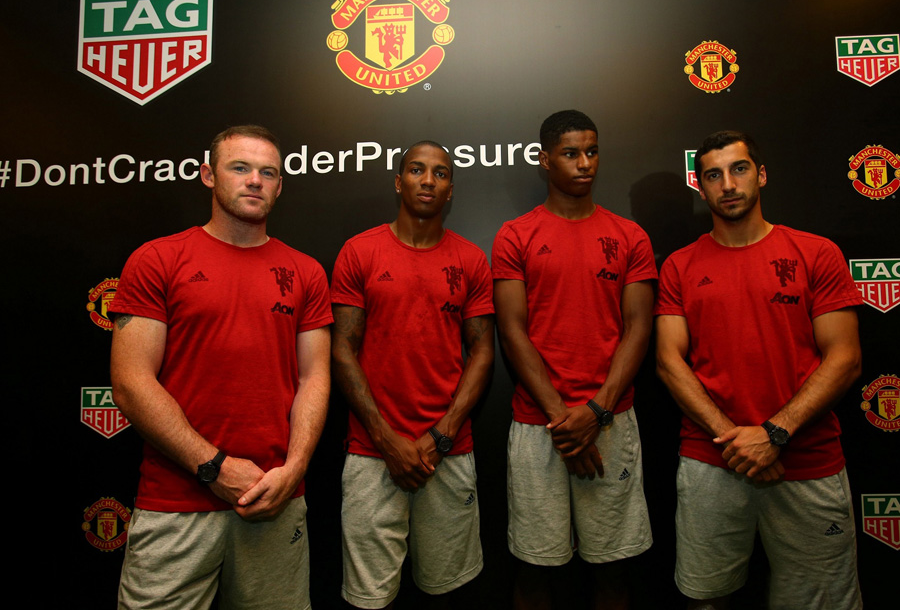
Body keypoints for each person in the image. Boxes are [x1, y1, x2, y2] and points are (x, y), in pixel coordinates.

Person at [110, 125, 332, 610]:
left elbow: (313, 377)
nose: (255, 180)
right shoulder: (157, 260)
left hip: (275, 501)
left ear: (280, 185)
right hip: (176, 503)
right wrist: (213, 467)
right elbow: (130, 383)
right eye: (240, 168)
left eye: (267, 172)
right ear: (209, 175)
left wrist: (292, 471)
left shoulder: (306, 271)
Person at [655, 130, 863, 610]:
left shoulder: (816, 253)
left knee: (822, 602)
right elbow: (669, 362)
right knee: (706, 600)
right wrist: (736, 440)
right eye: (713, 175)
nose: (728, 184)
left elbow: (845, 358)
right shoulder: (680, 267)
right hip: (713, 460)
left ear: (761, 175)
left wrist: (775, 434)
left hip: (807, 462)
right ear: (700, 187)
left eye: (739, 169)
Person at [492, 110, 655, 610]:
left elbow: (639, 327)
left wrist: (598, 411)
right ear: (544, 160)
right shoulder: (515, 235)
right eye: (570, 153)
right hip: (540, 423)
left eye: (592, 151)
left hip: (611, 420)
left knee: (612, 571)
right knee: (535, 573)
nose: (584, 164)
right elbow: (512, 331)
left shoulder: (630, 236)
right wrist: (565, 421)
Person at [330, 140, 495, 609]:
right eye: (417, 170)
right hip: (371, 452)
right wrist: (385, 439)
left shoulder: (469, 259)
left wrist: (441, 435)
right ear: (398, 181)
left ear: (451, 190)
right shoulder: (359, 252)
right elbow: (342, 347)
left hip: (448, 451)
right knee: (369, 598)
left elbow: (483, 348)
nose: (428, 180)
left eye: (440, 173)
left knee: (450, 590)